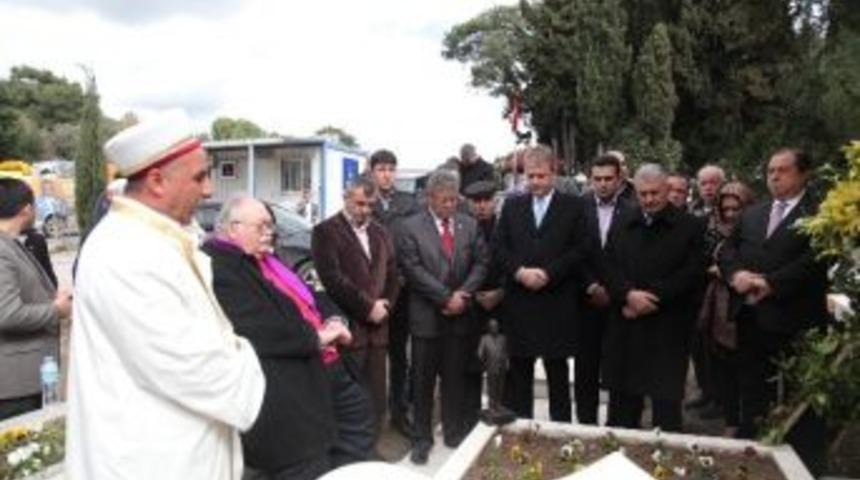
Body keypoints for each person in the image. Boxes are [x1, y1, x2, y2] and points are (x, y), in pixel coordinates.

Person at [66, 112, 266, 480]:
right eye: (199, 177)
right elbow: (201, 374)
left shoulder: (154, 238)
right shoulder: (125, 252)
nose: (208, 190)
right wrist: (244, 358)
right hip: (151, 462)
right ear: (157, 181)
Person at [204, 195, 371, 479]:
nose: (270, 232)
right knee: (311, 459)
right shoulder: (221, 266)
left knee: (355, 432)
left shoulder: (269, 259)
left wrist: (333, 319)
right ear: (233, 229)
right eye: (262, 226)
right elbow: (261, 326)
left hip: (327, 363)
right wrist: (318, 336)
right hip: (292, 382)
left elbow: (314, 296)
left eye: (271, 225)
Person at [719, 148, 829, 439]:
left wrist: (770, 283)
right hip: (751, 317)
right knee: (752, 386)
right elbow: (728, 249)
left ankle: (795, 450)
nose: (775, 176)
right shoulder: (753, 213)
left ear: (804, 174)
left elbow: (816, 260)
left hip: (795, 319)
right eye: (770, 171)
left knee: (797, 392)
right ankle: (752, 443)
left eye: (783, 170)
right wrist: (736, 275)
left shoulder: (821, 214)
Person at [602, 164, 705, 432]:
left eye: (655, 193)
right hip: (626, 326)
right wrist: (627, 295)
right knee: (622, 409)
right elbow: (607, 264)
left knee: (666, 409)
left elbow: (692, 274)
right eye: (642, 193)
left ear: (667, 189)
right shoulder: (623, 220)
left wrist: (653, 299)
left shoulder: (689, 227)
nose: (648, 199)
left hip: (666, 329)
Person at [398, 169, 488, 464]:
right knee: (423, 383)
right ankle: (422, 439)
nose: (451, 205)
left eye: (454, 199)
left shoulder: (469, 225)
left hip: (460, 317)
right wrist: (445, 297)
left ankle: (453, 432)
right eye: (445, 200)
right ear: (429, 199)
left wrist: (463, 294)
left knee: (454, 380)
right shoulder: (410, 227)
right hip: (427, 319)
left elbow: (481, 263)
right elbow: (413, 270)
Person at [493, 145, 587, 423]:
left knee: (557, 375)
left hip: (556, 303)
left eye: (541, 176)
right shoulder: (512, 205)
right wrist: (519, 272)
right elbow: (499, 247)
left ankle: (560, 432)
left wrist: (549, 273)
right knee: (520, 373)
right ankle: (522, 427)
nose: (534, 181)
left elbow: (581, 248)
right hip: (520, 304)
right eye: (529, 176)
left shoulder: (573, 206)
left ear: (554, 173)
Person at [312, 176, 400, 446]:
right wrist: (367, 307)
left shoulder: (381, 232)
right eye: (360, 203)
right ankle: (349, 452)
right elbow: (332, 280)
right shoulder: (326, 231)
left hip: (379, 330)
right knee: (351, 398)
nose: (365, 210)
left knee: (376, 395)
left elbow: (395, 274)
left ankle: (371, 448)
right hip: (349, 330)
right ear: (346, 197)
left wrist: (386, 305)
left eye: (370, 205)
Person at [0, 178, 72, 421]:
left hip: (25, 379)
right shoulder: (2, 250)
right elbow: (7, 314)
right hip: (14, 385)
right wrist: (56, 309)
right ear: (26, 209)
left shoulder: (11, 244)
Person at [576, 154, 633, 425]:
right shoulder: (578, 207)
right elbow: (573, 252)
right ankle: (586, 424)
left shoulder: (633, 209)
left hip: (619, 301)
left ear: (619, 179)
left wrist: (614, 289)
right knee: (586, 367)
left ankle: (615, 425)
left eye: (608, 179)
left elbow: (634, 258)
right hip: (585, 301)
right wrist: (590, 285)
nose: (602, 184)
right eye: (597, 179)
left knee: (618, 366)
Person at [367, 148, 419, 437]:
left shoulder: (408, 202)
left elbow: (415, 240)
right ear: (372, 171)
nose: (386, 174)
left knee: (400, 355)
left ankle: (399, 411)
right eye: (381, 169)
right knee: (371, 356)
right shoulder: (364, 200)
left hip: (403, 289)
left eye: (390, 169)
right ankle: (371, 417)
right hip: (371, 291)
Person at [697, 182, 754, 437]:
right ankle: (730, 420)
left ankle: (750, 420)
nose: (730, 214)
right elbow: (701, 259)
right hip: (717, 304)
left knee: (749, 369)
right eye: (726, 208)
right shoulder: (710, 228)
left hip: (750, 305)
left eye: (736, 208)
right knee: (724, 365)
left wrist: (731, 272)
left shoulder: (756, 230)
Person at [462, 180, 504, 429]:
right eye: (476, 201)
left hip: (503, 306)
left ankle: (501, 412)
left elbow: (515, 260)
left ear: (495, 201)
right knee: (471, 365)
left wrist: (501, 292)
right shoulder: (463, 227)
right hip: (471, 306)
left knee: (501, 366)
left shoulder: (507, 226)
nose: (481, 206)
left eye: (486, 200)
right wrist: (472, 292)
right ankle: (470, 419)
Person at [686, 164, 727, 414]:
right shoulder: (693, 211)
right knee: (698, 345)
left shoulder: (730, 212)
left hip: (721, 286)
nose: (709, 188)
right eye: (704, 183)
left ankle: (721, 398)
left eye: (714, 182)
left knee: (718, 345)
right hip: (696, 287)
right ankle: (705, 391)